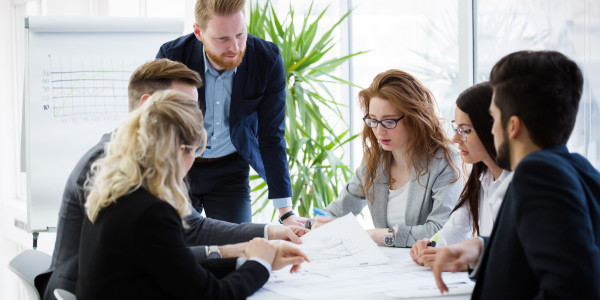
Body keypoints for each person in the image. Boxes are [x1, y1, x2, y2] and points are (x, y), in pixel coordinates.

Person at [36, 59, 307, 300]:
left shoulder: (126, 177)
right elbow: (201, 282)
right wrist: (257, 263)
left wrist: (246, 252)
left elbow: (168, 252)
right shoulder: (116, 174)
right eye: (185, 107)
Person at [432, 51, 600, 299]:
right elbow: (556, 252)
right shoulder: (580, 168)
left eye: (494, 118)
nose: (492, 129)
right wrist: (481, 248)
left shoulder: (538, 174)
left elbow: (572, 287)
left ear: (512, 126)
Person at [156, 0, 303, 225]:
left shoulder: (266, 59)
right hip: (179, 167)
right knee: (174, 247)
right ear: (199, 32)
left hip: (230, 172)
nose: (234, 47)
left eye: (240, 34)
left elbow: (271, 136)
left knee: (237, 252)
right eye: (223, 38)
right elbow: (157, 128)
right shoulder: (172, 56)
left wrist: (286, 212)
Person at [309, 69, 462, 247]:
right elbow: (338, 211)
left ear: (415, 119)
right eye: (373, 120)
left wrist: (375, 235)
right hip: (389, 267)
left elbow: (440, 231)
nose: (379, 131)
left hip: (432, 267)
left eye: (389, 121)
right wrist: (306, 225)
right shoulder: (375, 160)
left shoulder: (444, 161)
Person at [410, 82, 512, 265]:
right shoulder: (482, 179)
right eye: (456, 128)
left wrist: (469, 263)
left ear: (492, 128)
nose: (455, 139)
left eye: (465, 130)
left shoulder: (517, 184)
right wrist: (430, 247)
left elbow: (512, 255)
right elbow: (455, 229)